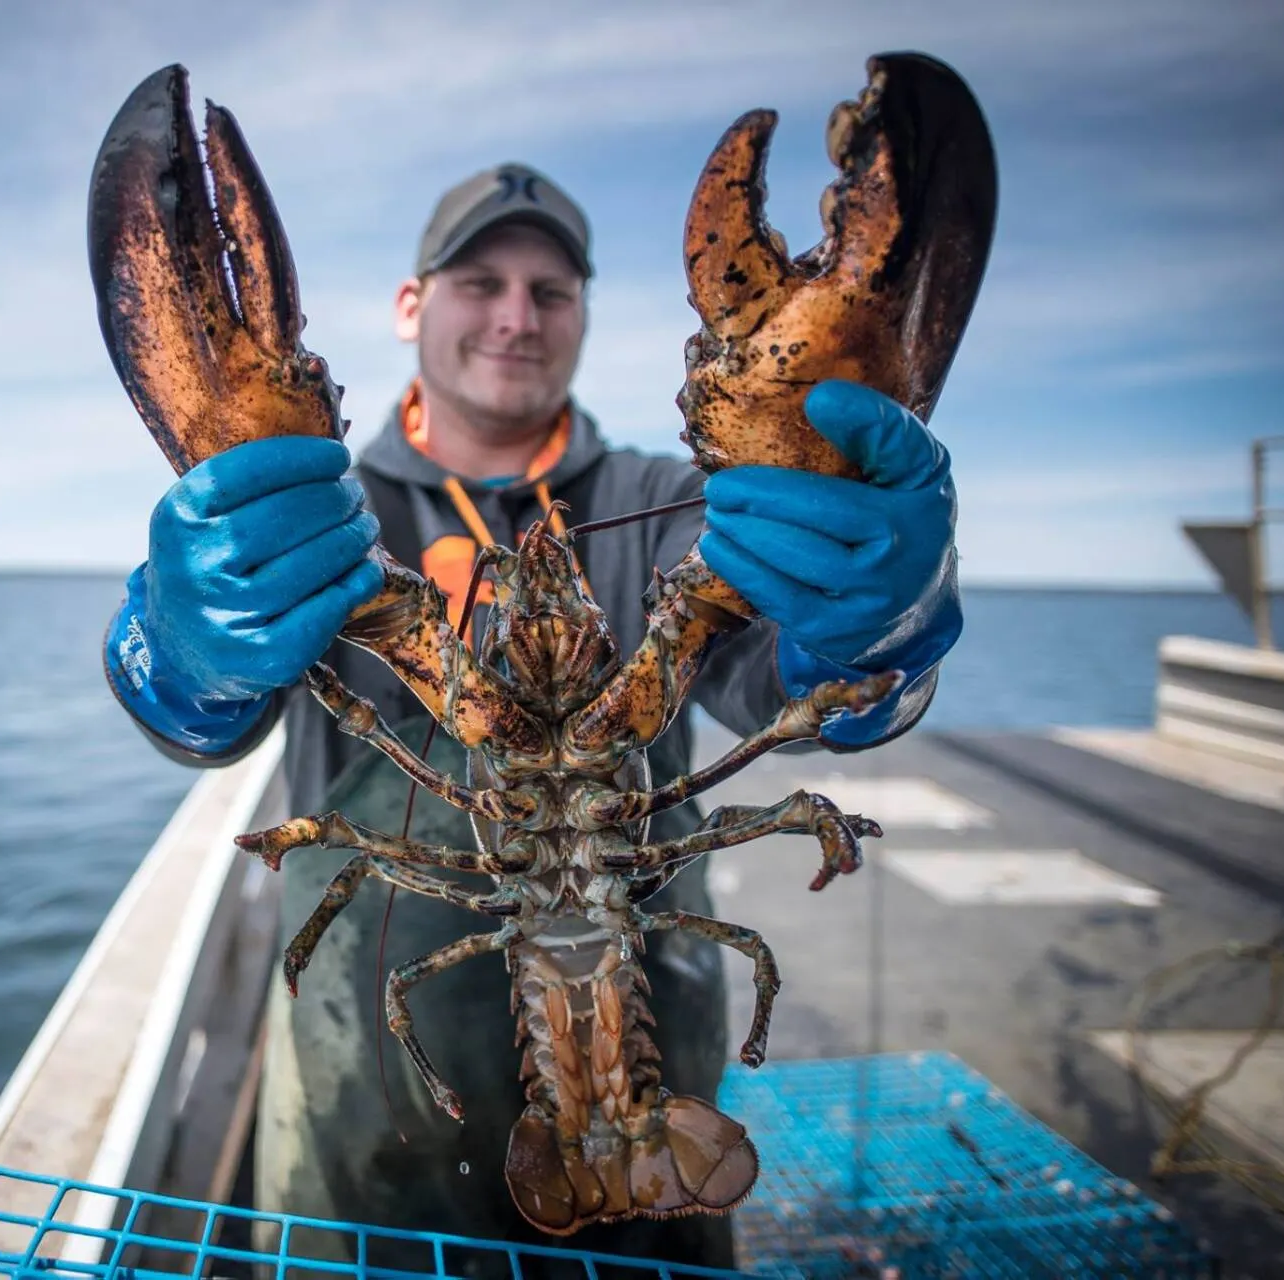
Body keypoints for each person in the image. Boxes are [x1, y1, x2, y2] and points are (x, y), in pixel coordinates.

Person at [101, 163, 962, 1268]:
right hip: (370, 1124)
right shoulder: (303, 510)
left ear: (584, 319)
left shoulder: (689, 501)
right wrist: (178, 657)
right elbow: (195, 721)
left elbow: (797, 690)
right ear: (414, 306)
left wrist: (883, 636)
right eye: (480, 281)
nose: (516, 316)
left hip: (655, 1097)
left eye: (551, 292)